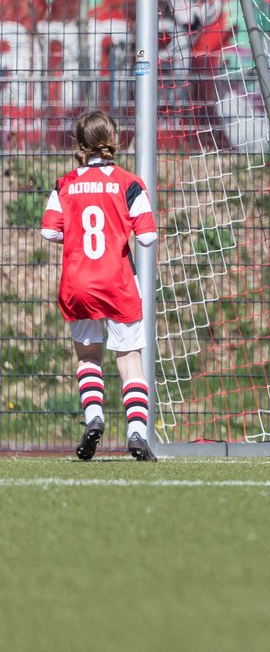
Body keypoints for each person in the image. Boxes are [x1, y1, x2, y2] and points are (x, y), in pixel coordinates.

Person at [40, 110, 160, 462]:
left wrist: (74, 235)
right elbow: (149, 237)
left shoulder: (65, 184)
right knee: (130, 360)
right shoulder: (129, 183)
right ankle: (136, 433)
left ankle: (93, 418)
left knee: (89, 356)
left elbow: (48, 230)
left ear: (79, 144)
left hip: (77, 283)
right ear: (114, 140)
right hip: (118, 281)